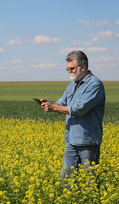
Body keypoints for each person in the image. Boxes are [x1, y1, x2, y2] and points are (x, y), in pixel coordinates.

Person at [40, 50, 105, 189]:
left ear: (82, 67)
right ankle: (70, 203)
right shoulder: (72, 85)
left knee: (91, 180)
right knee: (66, 176)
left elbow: (78, 109)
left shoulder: (95, 85)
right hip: (71, 139)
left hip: (88, 140)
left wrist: (54, 108)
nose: (69, 71)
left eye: (72, 68)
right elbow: (61, 102)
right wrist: (50, 104)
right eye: (67, 69)